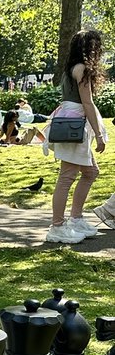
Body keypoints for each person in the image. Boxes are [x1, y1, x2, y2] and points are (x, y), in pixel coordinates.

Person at [46, 28, 108, 245]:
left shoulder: (73, 67)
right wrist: (99, 134)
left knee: (90, 172)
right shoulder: (81, 68)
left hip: (72, 122)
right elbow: (87, 102)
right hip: (74, 125)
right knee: (67, 176)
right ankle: (57, 226)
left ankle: (76, 218)